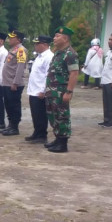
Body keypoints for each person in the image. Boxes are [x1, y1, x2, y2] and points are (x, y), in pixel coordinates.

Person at [44, 25, 79, 153]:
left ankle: (63, 143)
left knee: (62, 116)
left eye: (57, 36)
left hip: (61, 91)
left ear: (65, 38)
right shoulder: (58, 53)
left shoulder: (70, 54)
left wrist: (69, 92)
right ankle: (57, 138)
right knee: (53, 115)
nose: (54, 38)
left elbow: (74, 73)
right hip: (52, 91)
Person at [24, 35, 54, 144]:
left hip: (40, 91)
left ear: (45, 44)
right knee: (35, 114)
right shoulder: (39, 56)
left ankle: (42, 135)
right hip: (33, 89)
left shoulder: (49, 56)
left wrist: (43, 90)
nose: (35, 46)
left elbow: (47, 75)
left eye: (37, 44)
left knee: (41, 114)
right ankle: (36, 132)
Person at [0, 30, 27, 136]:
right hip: (7, 82)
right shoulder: (13, 49)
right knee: (8, 105)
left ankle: (14, 127)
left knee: (14, 106)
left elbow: (20, 67)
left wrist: (15, 82)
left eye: (12, 38)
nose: (9, 39)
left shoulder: (21, 50)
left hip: (13, 84)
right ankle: (10, 125)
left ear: (18, 39)